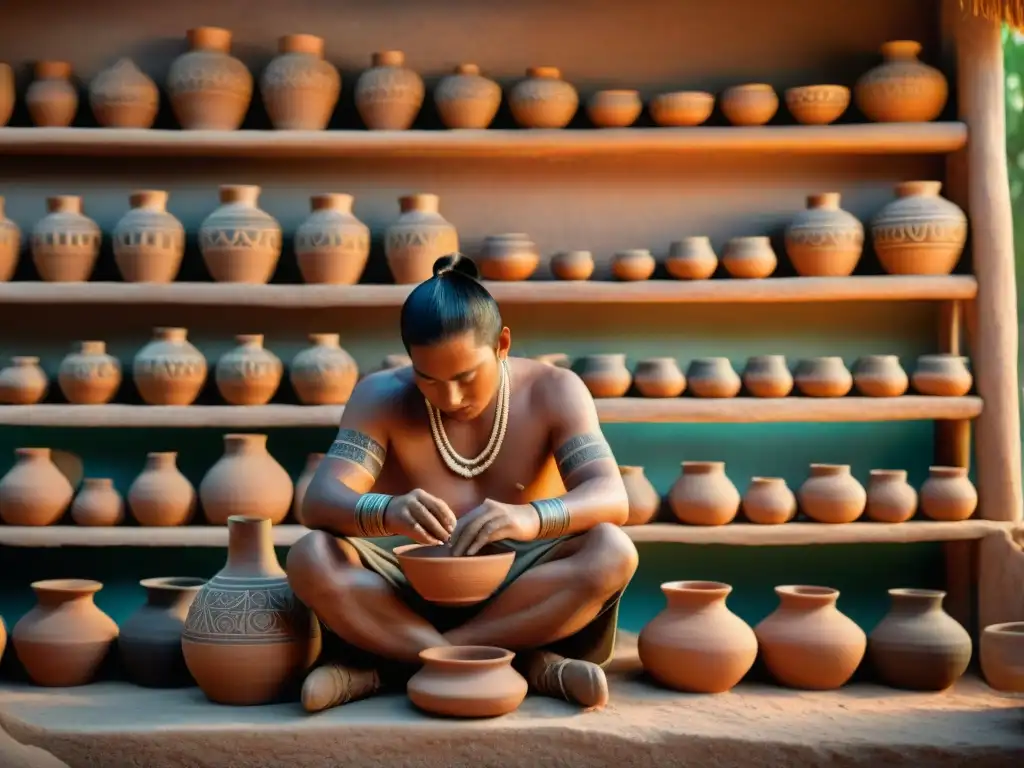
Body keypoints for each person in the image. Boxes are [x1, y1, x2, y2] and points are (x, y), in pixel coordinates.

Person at [286, 252, 638, 713]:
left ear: (502, 345)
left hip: (524, 585)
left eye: (466, 377)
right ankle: (524, 663)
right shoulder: (381, 395)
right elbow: (319, 501)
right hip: (407, 584)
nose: (450, 397)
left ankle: (390, 668)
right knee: (310, 555)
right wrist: (384, 510)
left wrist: (530, 517)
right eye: (428, 379)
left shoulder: (556, 389)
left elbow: (612, 496)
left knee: (612, 551)